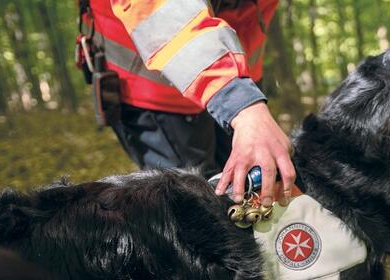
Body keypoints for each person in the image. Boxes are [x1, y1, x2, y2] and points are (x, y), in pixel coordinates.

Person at [81, 0, 295, 207]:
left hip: (239, 79)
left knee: (248, 197)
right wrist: (242, 104)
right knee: (197, 213)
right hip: (158, 91)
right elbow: (162, 11)